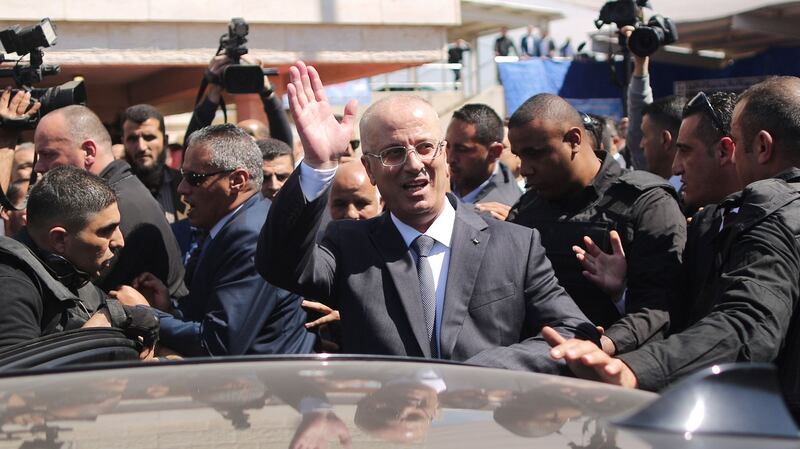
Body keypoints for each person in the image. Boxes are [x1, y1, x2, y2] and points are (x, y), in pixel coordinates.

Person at [257, 61, 599, 372]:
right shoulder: (348, 245)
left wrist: (488, 372)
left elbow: (573, 332)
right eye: (393, 153)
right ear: (370, 170)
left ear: (444, 155)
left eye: (424, 147)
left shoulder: (516, 244)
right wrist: (317, 165)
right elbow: (278, 263)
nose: (414, 164)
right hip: (388, 434)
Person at [544, 76, 800, 422]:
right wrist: (625, 291)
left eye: (737, 143)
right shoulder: (721, 219)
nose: (676, 168)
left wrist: (635, 370)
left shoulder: (772, 217)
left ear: (763, 147)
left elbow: (748, 323)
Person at [506, 93, 686, 357]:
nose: (525, 169)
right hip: (538, 371)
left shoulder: (646, 203)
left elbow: (662, 309)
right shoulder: (526, 210)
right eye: (520, 155)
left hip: (618, 376)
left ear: (574, 140)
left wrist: (605, 343)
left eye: (535, 154)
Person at [126, 123, 315, 356]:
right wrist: (170, 309)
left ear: (237, 180)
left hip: (270, 386)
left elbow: (218, 342)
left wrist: (143, 314)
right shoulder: (235, 224)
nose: (182, 189)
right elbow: (212, 312)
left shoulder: (252, 236)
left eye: (194, 178)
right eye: (183, 176)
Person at [29, 105, 187, 297]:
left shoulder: (114, 207)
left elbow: (73, 296)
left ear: (88, 152)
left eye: (48, 154)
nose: (38, 166)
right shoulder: (118, 194)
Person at [0, 166, 156, 356]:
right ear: (59, 239)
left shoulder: (69, 271)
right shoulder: (10, 285)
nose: (119, 241)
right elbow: (18, 379)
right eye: (106, 231)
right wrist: (108, 319)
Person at [186, 54, 293, 149]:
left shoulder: (271, 166)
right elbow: (191, 147)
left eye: (250, 134)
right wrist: (214, 91)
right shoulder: (226, 170)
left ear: (266, 141)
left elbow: (284, 147)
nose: (242, 138)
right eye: (237, 134)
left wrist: (267, 91)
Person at [445, 104, 522, 220]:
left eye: (462, 149)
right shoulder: (439, 182)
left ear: (494, 152)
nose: (449, 158)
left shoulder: (506, 212)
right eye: (447, 146)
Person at [122, 104, 186, 223]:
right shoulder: (115, 192)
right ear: (123, 142)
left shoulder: (184, 185)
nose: (141, 147)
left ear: (165, 140)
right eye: (132, 139)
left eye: (149, 137)